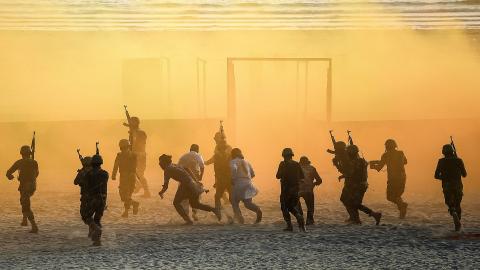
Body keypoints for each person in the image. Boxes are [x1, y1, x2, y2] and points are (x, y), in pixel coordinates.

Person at [158, 154, 221, 225]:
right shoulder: (174, 165)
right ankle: (214, 210)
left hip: (185, 185)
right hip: (191, 183)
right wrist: (196, 181)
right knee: (195, 204)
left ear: (164, 162)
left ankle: (188, 220)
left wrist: (161, 192)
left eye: (160, 162)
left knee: (176, 203)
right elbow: (187, 169)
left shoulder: (167, 169)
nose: (159, 164)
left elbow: (166, 186)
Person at [341, 145, 382, 225]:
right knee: (347, 200)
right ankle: (354, 218)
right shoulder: (361, 161)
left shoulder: (354, 162)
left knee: (354, 203)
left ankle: (373, 215)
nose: (347, 153)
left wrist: (340, 167)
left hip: (356, 185)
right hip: (360, 185)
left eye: (348, 152)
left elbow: (350, 173)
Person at [370, 139, 408, 218]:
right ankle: (402, 211)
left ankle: (402, 206)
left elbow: (379, 168)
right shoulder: (401, 153)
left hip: (393, 178)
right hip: (402, 177)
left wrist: (372, 165)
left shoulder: (385, 155)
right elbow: (405, 162)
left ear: (386, 146)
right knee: (397, 195)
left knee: (390, 197)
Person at [6, 145, 39, 233]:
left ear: (21, 153)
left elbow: (8, 172)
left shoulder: (19, 162)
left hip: (25, 186)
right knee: (23, 201)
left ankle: (34, 226)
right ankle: (24, 220)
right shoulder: (34, 162)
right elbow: (37, 174)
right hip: (32, 185)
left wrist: (10, 176)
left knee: (25, 205)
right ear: (30, 153)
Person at [434, 144, 467, 232]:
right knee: (458, 204)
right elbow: (464, 175)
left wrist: (444, 178)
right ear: (452, 151)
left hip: (447, 185)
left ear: (443, 152)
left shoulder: (441, 161)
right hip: (457, 185)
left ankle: (454, 215)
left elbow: (436, 176)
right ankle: (458, 228)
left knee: (450, 204)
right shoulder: (458, 160)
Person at [276, 148, 306, 232]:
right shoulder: (296, 164)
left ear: (283, 155)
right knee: (293, 206)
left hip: (285, 190)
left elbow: (278, 176)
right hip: (296, 189)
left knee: (284, 207)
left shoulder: (282, 164)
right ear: (292, 155)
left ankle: (290, 225)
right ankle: (301, 224)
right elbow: (302, 177)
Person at [230, 148, 262, 224]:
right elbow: (253, 174)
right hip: (248, 184)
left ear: (233, 155)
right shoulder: (247, 162)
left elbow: (234, 169)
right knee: (248, 204)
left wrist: (233, 178)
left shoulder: (232, 161)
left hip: (238, 183)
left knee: (234, 202)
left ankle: (240, 220)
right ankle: (258, 210)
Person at [82, 154, 109, 246]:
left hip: (93, 198)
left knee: (86, 216)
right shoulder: (105, 174)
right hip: (103, 199)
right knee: (97, 219)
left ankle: (96, 230)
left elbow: (85, 186)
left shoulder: (88, 174)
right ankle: (97, 241)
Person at [205, 130, 233, 215]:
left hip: (224, 175)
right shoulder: (219, 148)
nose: (214, 139)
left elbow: (221, 157)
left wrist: (206, 162)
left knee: (219, 195)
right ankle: (227, 208)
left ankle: (221, 213)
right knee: (221, 194)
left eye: (216, 138)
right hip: (221, 175)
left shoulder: (226, 148)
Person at [112, 139, 140, 218]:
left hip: (128, 176)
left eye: (125, 147)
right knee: (125, 196)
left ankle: (129, 209)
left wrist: (114, 174)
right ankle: (130, 208)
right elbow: (116, 165)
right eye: (123, 148)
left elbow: (134, 166)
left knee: (126, 195)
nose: (124, 149)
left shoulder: (132, 155)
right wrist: (114, 174)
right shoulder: (120, 155)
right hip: (124, 176)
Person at [178, 144, 205, 221]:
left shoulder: (183, 156)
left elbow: (178, 167)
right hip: (194, 179)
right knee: (197, 195)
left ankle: (186, 215)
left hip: (183, 179)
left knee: (184, 198)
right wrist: (201, 176)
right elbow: (202, 166)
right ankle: (195, 212)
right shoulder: (198, 155)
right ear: (197, 150)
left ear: (190, 149)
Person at [126, 116, 150, 197]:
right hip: (136, 155)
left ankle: (146, 191)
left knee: (139, 174)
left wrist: (132, 133)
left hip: (139, 155)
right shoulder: (135, 133)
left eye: (131, 123)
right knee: (134, 173)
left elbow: (137, 144)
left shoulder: (140, 133)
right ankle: (140, 187)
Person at [298, 156, 322, 225]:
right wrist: (314, 184)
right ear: (308, 162)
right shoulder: (312, 168)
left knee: (297, 206)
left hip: (298, 191)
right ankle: (309, 221)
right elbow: (319, 180)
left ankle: (300, 218)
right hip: (309, 190)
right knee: (310, 207)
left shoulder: (296, 168)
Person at [74, 156, 92, 236]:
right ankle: (91, 228)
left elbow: (75, 182)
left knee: (84, 213)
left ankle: (92, 227)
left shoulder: (82, 172)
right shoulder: (96, 171)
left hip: (86, 196)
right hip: (95, 196)